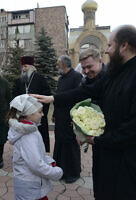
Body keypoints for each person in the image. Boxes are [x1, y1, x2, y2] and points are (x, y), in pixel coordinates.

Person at [32, 25, 136, 200]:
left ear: (124, 46)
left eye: (110, 45)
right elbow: (87, 91)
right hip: (112, 161)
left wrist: (99, 140)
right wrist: (53, 99)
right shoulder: (117, 72)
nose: (106, 51)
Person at [7, 94, 63, 200]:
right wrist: (56, 172)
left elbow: (34, 154)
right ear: (28, 114)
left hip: (26, 182)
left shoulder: (27, 128)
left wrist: (48, 160)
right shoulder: (28, 135)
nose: (42, 115)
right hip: (32, 185)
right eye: (39, 112)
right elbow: (36, 164)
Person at [78, 48, 106, 196]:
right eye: (83, 68)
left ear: (100, 61)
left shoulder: (110, 79)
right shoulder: (86, 81)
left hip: (110, 138)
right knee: (99, 174)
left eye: (90, 66)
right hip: (95, 138)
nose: (86, 71)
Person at [52, 55, 82, 184]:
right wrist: (54, 113)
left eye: (58, 64)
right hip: (60, 118)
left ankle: (73, 172)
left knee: (70, 146)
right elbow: (58, 97)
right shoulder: (62, 78)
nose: (57, 66)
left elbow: (80, 99)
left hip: (70, 118)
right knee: (60, 144)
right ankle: (61, 170)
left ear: (64, 65)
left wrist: (76, 119)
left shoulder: (77, 77)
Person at [12, 56, 51, 152]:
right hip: (24, 117)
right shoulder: (19, 81)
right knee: (25, 142)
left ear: (32, 67)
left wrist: (42, 113)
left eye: (25, 66)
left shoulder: (40, 79)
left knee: (39, 141)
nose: (23, 69)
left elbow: (47, 95)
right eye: (22, 67)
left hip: (38, 116)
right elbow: (14, 97)